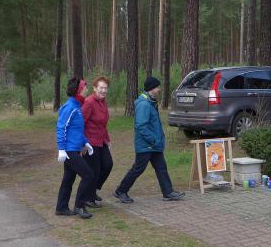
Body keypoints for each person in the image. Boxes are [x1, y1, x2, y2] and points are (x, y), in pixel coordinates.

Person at [114, 76, 185, 203]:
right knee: (138, 168)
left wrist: (156, 141)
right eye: (157, 87)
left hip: (153, 145)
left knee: (161, 167)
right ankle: (121, 191)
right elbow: (141, 126)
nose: (159, 89)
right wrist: (153, 140)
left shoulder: (150, 102)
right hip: (146, 145)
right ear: (151, 88)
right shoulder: (144, 104)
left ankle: (168, 192)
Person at [55, 77, 95, 218]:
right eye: (85, 88)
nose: (87, 90)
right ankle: (79, 206)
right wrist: (61, 149)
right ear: (78, 90)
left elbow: (76, 130)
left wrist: (86, 142)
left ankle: (61, 207)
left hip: (74, 148)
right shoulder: (70, 107)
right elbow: (61, 128)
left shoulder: (77, 106)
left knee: (68, 179)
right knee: (88, 175)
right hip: (69, 151)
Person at [82, 76, 113, 207]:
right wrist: (83, 143)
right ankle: (88, 199)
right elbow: (80, 123)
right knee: (94, 170)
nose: (103, 90)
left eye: (105, 88)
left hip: (102, 140)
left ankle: (93, 190)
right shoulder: (89, 102)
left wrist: (108, 140)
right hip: (90, 142)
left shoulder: (103, 102)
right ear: (94, 88)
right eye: (101, 87)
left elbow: (103, 124)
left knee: (107, 164)